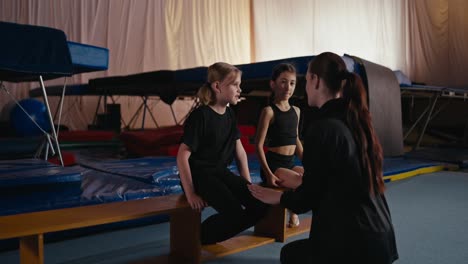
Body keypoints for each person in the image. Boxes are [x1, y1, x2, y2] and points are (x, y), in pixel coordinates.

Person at [249, 52, 399, 263]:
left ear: (316, 80)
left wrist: (277, 197)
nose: (303, 87)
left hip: (355, 244)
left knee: (290, 255)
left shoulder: (323, 127)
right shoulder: (355, 120)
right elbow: (333, 183)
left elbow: (308, 197)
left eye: (306, 79)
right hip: (381, 239)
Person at [177, 62, 269, 245]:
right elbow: (182, 156)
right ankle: (196, 238)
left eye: (239, 84)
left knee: (261, 205)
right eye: (235, 84)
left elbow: (240, 152)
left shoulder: (229, 115)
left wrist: (246, 184)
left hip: (220, 173)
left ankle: (203, 235)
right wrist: (191, 194)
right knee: (234, 213)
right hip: (200, 175)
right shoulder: (201, 116)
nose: (239, 89)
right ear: (217, 86)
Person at [255, 63, 304, 228]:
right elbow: (258, 145)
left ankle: (294, 207)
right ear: (273, 84)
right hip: (274, 165)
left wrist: (309, 163)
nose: (288, 87)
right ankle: (294, 209)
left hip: (290, 162)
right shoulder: (269, 111)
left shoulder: (296, 111)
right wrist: (268, 174)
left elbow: (296, 140)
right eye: (283, 82)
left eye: (292, 83)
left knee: (311, 177)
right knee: (300, 181)